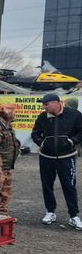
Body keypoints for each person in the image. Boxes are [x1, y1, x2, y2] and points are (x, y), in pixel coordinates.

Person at [31, 93, 82, 229]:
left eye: (46, 104)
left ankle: (74, 216)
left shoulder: (74, 115)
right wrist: (41, 143)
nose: (44, 106)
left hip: (67, 158)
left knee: (69, 186)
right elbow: (35, 133)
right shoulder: (42, 117)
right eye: (44, 104)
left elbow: (81, 132)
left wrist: (72, 141)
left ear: (56, 102)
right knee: (47, 186)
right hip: (46, 158)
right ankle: (50, 212)